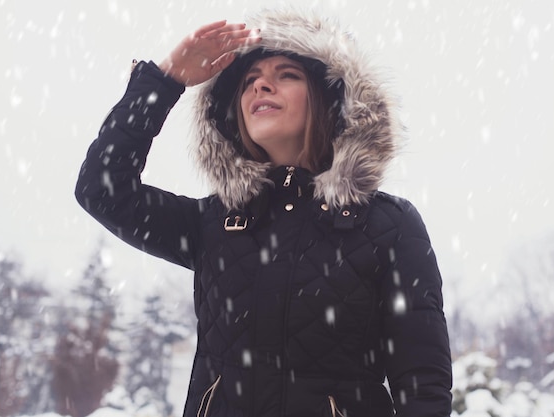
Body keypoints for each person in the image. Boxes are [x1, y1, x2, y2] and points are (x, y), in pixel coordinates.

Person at [75, 8, 452, 417]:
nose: (261, 86)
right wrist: (165, 81)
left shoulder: (388, 226)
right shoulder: (214, 223)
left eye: (286, 74)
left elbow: (424, 388)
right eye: (249, 81)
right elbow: (101, 189)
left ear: (329, 98)